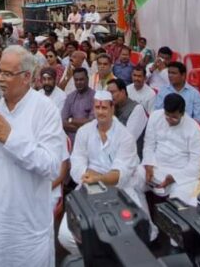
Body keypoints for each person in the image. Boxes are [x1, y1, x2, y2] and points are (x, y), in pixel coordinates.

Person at [0, 45, 67, 267]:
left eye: (7, 74)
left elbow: (50, 166)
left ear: (27, 77)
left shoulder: (45, 110)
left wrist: (9, 137)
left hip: (24, 220)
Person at [58, 90, 143, 256]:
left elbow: (120, 175)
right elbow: (76, 164)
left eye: (104, 107)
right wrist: (94, 176)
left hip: (120, 190)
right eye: (97, 107)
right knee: (66, 235)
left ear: (112, 108)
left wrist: (97, 177)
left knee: (128, 235)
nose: (100, 111)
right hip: (87, 186)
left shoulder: (125, 136)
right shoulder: (84, 131)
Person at [142, 93, 200, 203]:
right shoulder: (155, 116)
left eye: (174, 117)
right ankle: (143, 218)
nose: (170, 119)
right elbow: (149, 145)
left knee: (180, 202)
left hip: (180, 175)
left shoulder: (194, 129)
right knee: (129, 181)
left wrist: (174, 177)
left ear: (182, 113)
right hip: (154, 167)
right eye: (167, 115)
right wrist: (148, 165)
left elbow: (196, 166)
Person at [107, 78, 147, 154]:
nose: (110, 96)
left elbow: (129, 140)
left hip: (130, 156)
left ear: (123, 92)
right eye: (108, 93)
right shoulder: (112, 108)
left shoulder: (137, 109)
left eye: (112, 92)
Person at [61, 67, 95, 142]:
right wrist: (80, 129)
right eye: (76, 80)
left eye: (81, 79)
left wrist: (70, 120)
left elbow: (92, 122)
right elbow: (63, 122)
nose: (78, 82)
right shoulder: (70, 97)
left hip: (90, 139)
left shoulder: (95, 97)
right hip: (72, 140)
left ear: (87, 79)